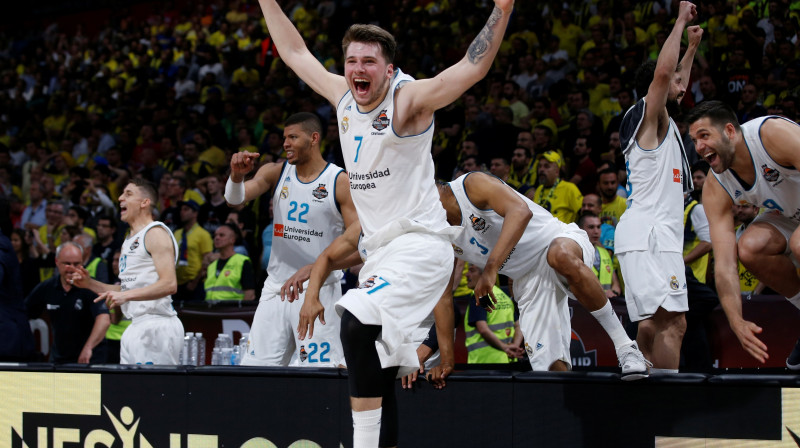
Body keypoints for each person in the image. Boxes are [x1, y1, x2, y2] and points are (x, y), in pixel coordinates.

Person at [252, 1, 514, 445]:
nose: (358, 68)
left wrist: (502, 9)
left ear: (388, 70)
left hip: (421, 245)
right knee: (378, 366)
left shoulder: (408, 99)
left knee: (354, 322)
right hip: (379, 253)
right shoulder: (343, 97)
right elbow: (296, 53)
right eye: (352, 60)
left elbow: (471, 68)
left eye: (369, 61)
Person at [438, 172, 647, 375]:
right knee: (549, 366)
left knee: (559, 255)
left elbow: (521, 211)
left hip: (556, 240)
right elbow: (444, 297)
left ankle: (626, 347)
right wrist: (447, 362)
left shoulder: (471, 185)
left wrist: (491, 269)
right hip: (528, 278)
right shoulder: (435, 233)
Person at [225, 112, 356, 367]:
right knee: (255, 373)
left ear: (314, 138)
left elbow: (363, 245)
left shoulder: (339, 182)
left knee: (320, 375)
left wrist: (318, 267)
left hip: (318, 290)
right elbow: (235, 200)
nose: (285, 143)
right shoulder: (276, 171)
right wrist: (237, 176)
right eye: (284, 137)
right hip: (276, 288)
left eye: (293, 137)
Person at [615, 2, 702, 374]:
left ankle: (643, 384)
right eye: (677, 83)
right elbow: (666, 75)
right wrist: (680, 22)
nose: (684, 88)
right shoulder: (650, 117)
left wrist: (692, 48)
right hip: (650, 233)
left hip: (651, 234)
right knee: (673, 323)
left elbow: (674, 77)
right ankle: (663, 394)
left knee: (655, 322)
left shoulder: (658, 122)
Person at [685, 100, 800, 366]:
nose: (699, 147)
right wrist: (735, 320)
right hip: (789, 213)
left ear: (730, 131)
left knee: (798, 243)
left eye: (704, 136)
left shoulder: (771, 134)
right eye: (694, 140)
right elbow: (725, 265)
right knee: (748, 247)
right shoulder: (716, 186)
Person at [69, 179, 184, 365]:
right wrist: (90, 283)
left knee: (154, 393)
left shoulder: (155, 233)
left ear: (144, 202)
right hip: (135, 326)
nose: (120, 198)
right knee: (131, 392)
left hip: (156, 325)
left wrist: (126, 295)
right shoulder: (129, 240)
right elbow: (125, 290)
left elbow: (169, 284)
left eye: (128, 194)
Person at [25, 242, 110, 363]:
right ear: (57, 262)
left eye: (77, 264)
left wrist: (88, 347)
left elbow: (104, 319)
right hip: (59, 359)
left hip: (89, 359)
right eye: (67, 264)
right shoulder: (47, 287)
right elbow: (24, 312)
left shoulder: (91, 287)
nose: (71, 268)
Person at [463, 263, 523, 364]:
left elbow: (482, 329)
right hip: (508, 360)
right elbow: (519, 325)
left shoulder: (479, 296)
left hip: (484, 362)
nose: (467, 275)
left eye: (472, 270)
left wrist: (505, 347)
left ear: (483, 275)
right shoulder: (504, 296)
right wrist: (514, 347)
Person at [173, 199, 213, 301]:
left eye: (186, 209)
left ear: (195, 213)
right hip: (176, 283)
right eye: (181, 209)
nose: (182, 212)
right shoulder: (177, 233)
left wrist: (195, 282)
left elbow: (207, 261)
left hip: (194, 283)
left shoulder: (203, 234)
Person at [204, 223, 255, 301]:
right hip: (211, 311)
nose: (217, 238)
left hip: (232, 311)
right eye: (215, 235)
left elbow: (250, 294)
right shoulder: (211, 266)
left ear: (233, 239)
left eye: (221, 235)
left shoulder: (242, 262)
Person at [529, 151, 583, 224]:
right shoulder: (539, 189)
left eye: (546, 166)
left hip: (561, 233)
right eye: (539, 166)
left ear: (557, 171)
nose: (541, 169)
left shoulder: (569, 188)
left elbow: (583, 213)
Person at [578, 213, 622, 298]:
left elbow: (616, 284)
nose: (596, 231)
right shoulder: (575, 253)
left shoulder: (604, 253)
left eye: (598, 227)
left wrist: (613, 292)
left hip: (606, 305)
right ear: (580, 230)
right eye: (591, 227)